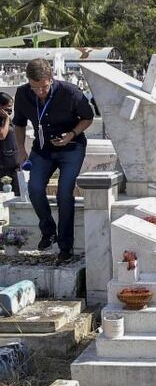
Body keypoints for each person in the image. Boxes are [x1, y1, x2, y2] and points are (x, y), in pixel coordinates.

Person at [13, 59, 94, 262]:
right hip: (42, 149)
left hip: (72, 148)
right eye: (35, 87)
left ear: (51, 78)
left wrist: (71, 134)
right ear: (28, 82)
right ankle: (48, 231)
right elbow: (19, 124)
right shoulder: (23, 94)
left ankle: (65, 247)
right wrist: (22, 150)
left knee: (64, 193)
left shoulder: (70, 92)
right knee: (34, 188)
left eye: (43, 87)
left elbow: (88, 117)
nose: (39, 92)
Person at [0, 93, 19, 194]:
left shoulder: (7, 120)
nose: (10, 111)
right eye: (7, 107)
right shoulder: (5, 120)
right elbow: (2, 135)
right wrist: (7, 119)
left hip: (14, 164)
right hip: (4, 167)